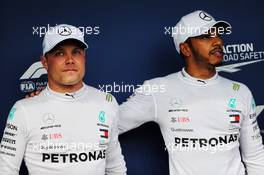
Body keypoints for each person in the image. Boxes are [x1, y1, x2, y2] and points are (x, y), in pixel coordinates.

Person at [118, 10, 264, 175]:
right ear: (186, 49)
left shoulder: (240, 92)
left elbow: (255, 156)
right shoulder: (158, 90)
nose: (217, 41)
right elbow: (110, 124)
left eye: (217, 35)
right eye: (206, 37)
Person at [0, 24, 126, 175]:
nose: (70, 60)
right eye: (59, 53)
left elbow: (115, 167)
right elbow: (5, 170)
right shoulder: (23, 110)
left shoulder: (107, 102)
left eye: (76, 52)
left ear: (84, 58)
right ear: (44, 62)